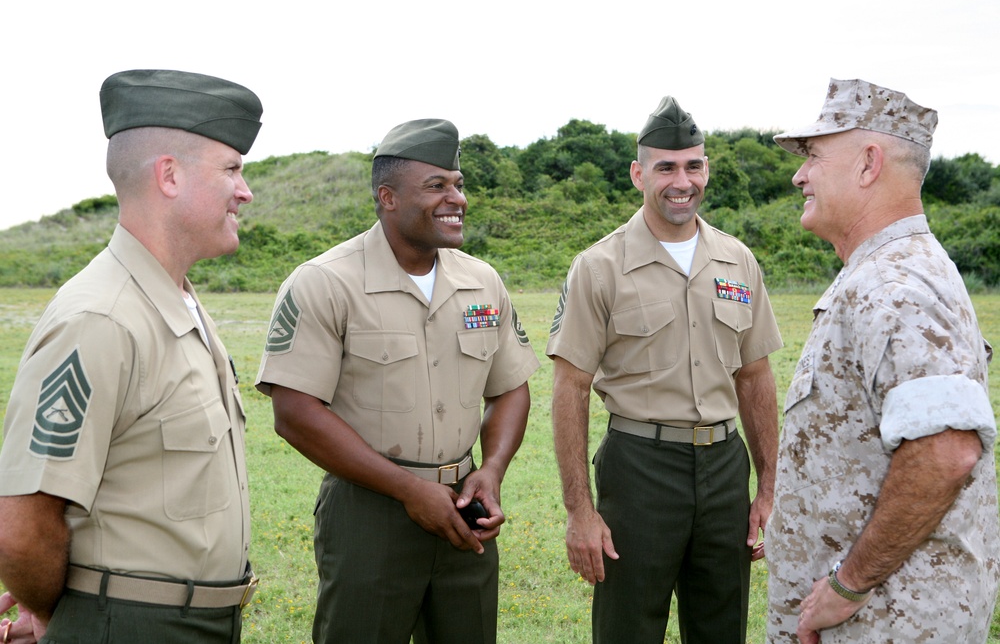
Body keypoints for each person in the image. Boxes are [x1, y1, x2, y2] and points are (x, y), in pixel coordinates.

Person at [0, 69, 262, 644]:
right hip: (131, 626)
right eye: (232, 169)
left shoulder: (175, 300)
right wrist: (61, 617)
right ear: (169, 174)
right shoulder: (102, 318)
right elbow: (23, 527)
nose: (244, 190)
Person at [255, 118, 539, 644]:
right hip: (370, 511)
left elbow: (510, 388)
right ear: (387, 197)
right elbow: (294, 413)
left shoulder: (482, 281)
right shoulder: (325, 282)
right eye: (436, 186)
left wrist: (492, 470)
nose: (456, 198)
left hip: (464, 509)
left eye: (457, 183)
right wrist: (408, 490)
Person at [767, 78, 1000, 643]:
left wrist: (848, 586)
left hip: (888, 624)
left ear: (869, 163)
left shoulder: (897, 282)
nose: (800, 175)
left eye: (815, 157)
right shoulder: (883, 272)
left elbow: (946, 452)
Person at [547, 96, 784, 644]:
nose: (682, 180)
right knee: (629, 626)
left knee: (722, 625)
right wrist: (580, 511)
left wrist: (767, 488)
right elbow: (570, 387)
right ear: (638, 174)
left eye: (693, 166)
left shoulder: (737, 260)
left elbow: (755, 378)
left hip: (726, 468)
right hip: (640, 470)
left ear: (707, 169)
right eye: (666, 167)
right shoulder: (599, 267)